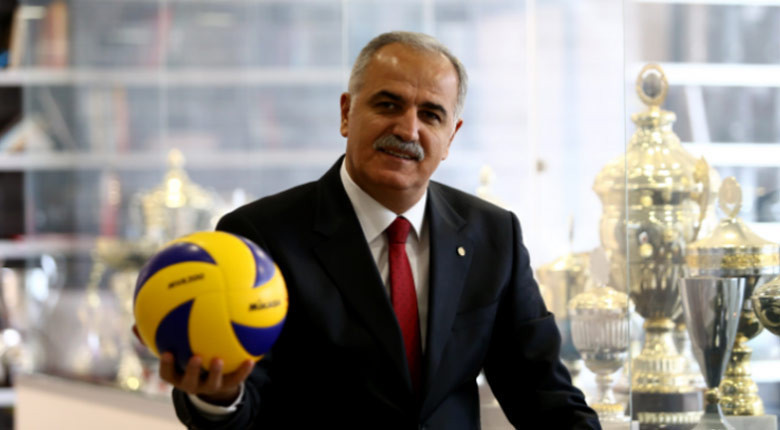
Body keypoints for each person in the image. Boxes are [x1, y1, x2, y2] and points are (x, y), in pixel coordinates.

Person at [162, 31, 601, 429]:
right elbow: (240, 397)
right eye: (388, 105)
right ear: (346, 113)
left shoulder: (493, 235)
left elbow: (543, 393)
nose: (408, 129)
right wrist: (219, 396)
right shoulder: (260, 236)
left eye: (431, 115)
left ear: (451, 136)